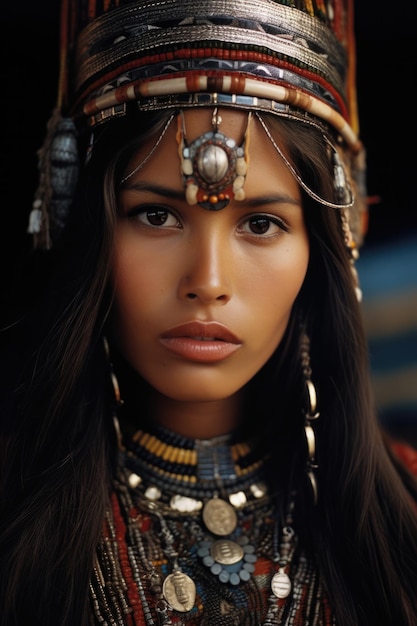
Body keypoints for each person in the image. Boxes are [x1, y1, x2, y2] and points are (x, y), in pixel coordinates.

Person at [1, 1, 417, 625]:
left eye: (260, 223)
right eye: (157, 215)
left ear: (332, 247)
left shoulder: (404, 519)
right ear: (80, 227)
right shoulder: (15, 521)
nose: (209, 283)